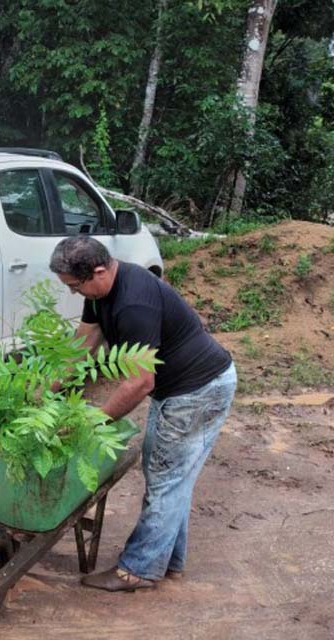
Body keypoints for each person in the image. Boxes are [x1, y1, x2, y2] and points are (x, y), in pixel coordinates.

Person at [48, 235, 236, 592]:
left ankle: (139, 569)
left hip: (198, 391)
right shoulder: (100, 291)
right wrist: (48, 389)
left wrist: (93, 421)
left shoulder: (133, 304)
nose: (74, 293)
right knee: (168, 473)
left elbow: (139, 383)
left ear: (99, 270)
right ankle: (170, 562)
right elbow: (84, 344)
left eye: (75, 286)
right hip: (183, 388)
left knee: (165, 477)